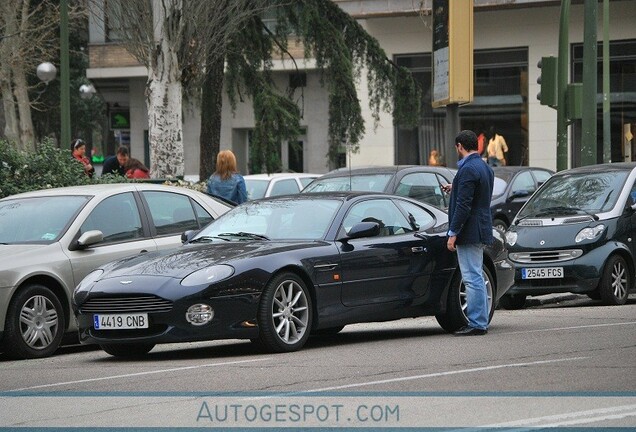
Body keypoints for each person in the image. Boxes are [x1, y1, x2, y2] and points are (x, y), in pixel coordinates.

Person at [444, 130, 494, 336]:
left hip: (469, 231)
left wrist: (453, 232)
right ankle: (480, 321)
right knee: (477, 275)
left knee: (471, 277)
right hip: (482, 226)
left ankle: (477, 323)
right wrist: (454, 186)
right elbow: (477, 194)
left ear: (459, 146)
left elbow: (464, 206)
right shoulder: (484, 167)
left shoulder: (466, 170)